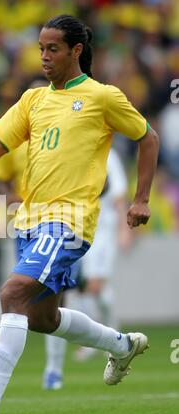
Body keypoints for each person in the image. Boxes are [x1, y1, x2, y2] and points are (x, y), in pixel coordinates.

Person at [0, 14, 159, 414]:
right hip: (30, 222)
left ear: (75, 51)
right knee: (42, 318)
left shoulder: (102, 96)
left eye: (53, 49)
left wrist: (141, 198)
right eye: (40, 49)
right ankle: (121, 346)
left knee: (12, 293)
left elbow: (148, 137)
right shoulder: (33, 100)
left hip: (70, 221)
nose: (44, 57)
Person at [43, 148, 132, 390]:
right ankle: (104, 342)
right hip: (72, 228)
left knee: (94, 287)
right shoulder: (69, 147)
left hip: (102, 229)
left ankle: (111, 339)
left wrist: (124, 229)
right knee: (64, 293)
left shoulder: (108, 154)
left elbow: (117, 193)